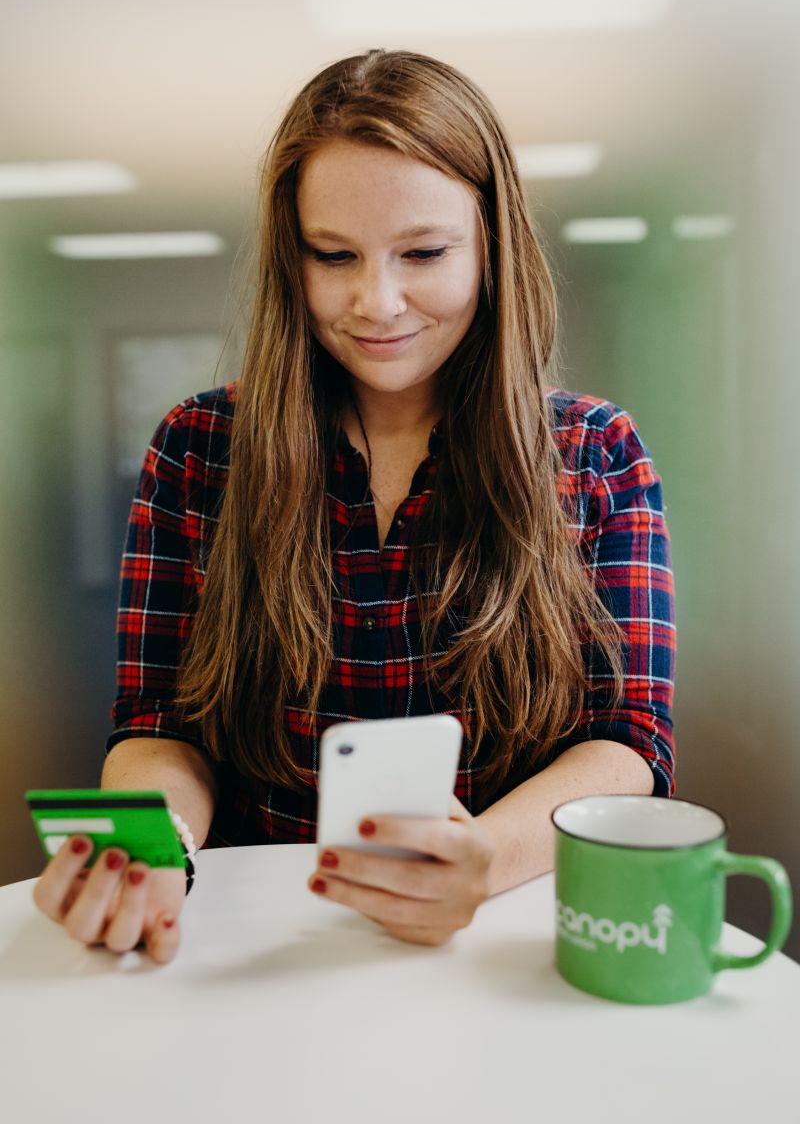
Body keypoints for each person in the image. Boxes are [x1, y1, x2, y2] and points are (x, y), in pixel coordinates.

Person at [33, 49, 675, 964]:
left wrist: (481, 860)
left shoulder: (596, 454)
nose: (377, 302)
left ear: (492, 242)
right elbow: (160, 725)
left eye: (424, 252)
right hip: (256, 946)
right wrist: (156, 847)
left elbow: (629, 742)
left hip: (505, 941)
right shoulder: (199, 449)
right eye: (333, 256)